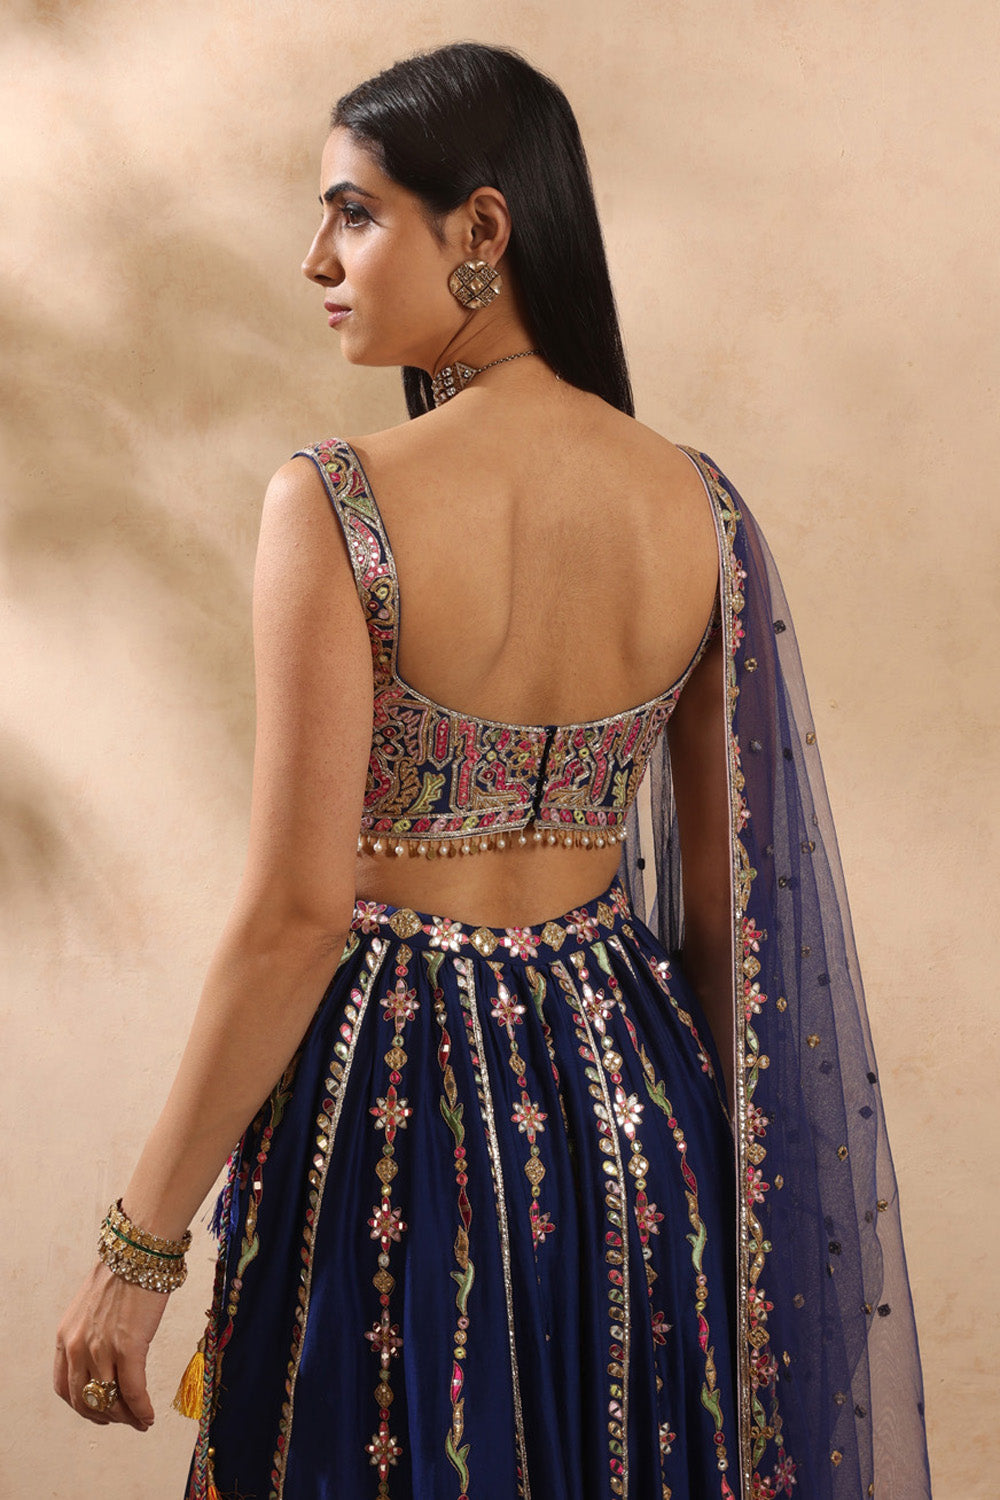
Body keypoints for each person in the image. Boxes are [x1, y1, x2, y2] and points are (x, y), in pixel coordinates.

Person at [53, 40, 932, 1500]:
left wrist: (135, 1250)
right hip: (635, 1123)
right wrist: (741, 1244)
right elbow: (734, 942)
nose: (316, 259)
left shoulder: (335, 502)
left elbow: (296, 918)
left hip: (399, 1121)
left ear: (481, 229)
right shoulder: (700, 510)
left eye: (354, 213)